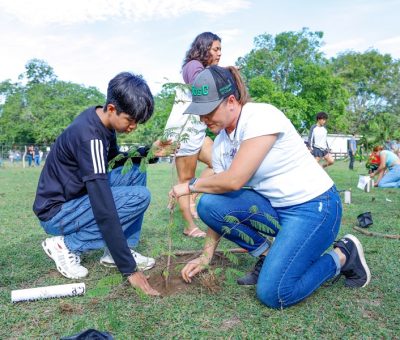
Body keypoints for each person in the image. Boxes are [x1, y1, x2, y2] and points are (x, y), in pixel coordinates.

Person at [170, 65, 371, 309]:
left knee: (274, 293)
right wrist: (206, 256)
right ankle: (267, 256)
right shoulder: (222, 143)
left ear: (231, 101)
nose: (203, 118)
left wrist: (191, 185)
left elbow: (235, 180)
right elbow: (221, 196)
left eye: (208, 110)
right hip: (277, 212)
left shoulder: (260, 117)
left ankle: (342, 256)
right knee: (210, 204)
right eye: (199, 113)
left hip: (315, 208)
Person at [33, 72, 173, 296]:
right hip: (57, 212)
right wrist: (129, 269)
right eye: (130, 120)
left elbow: (115, 162)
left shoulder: (101, 123)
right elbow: (103, 207)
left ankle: (115, 250)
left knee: (135, 172)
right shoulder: (90, 137)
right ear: (111, 109)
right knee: (139, 196)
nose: (133, 127)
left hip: (77, 197)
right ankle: (66, 245)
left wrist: (150, 153)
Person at [163, 32, 222, 238]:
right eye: (216, 49)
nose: (219, 54)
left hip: (198, 129)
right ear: (204, 48)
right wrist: (222, 74)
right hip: (184, 132)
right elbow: (201, 88)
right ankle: (189, 226)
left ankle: (190, 197)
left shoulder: (204, 69)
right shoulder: (192, 66)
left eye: (220, 50)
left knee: (219, 162)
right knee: (185, 179)